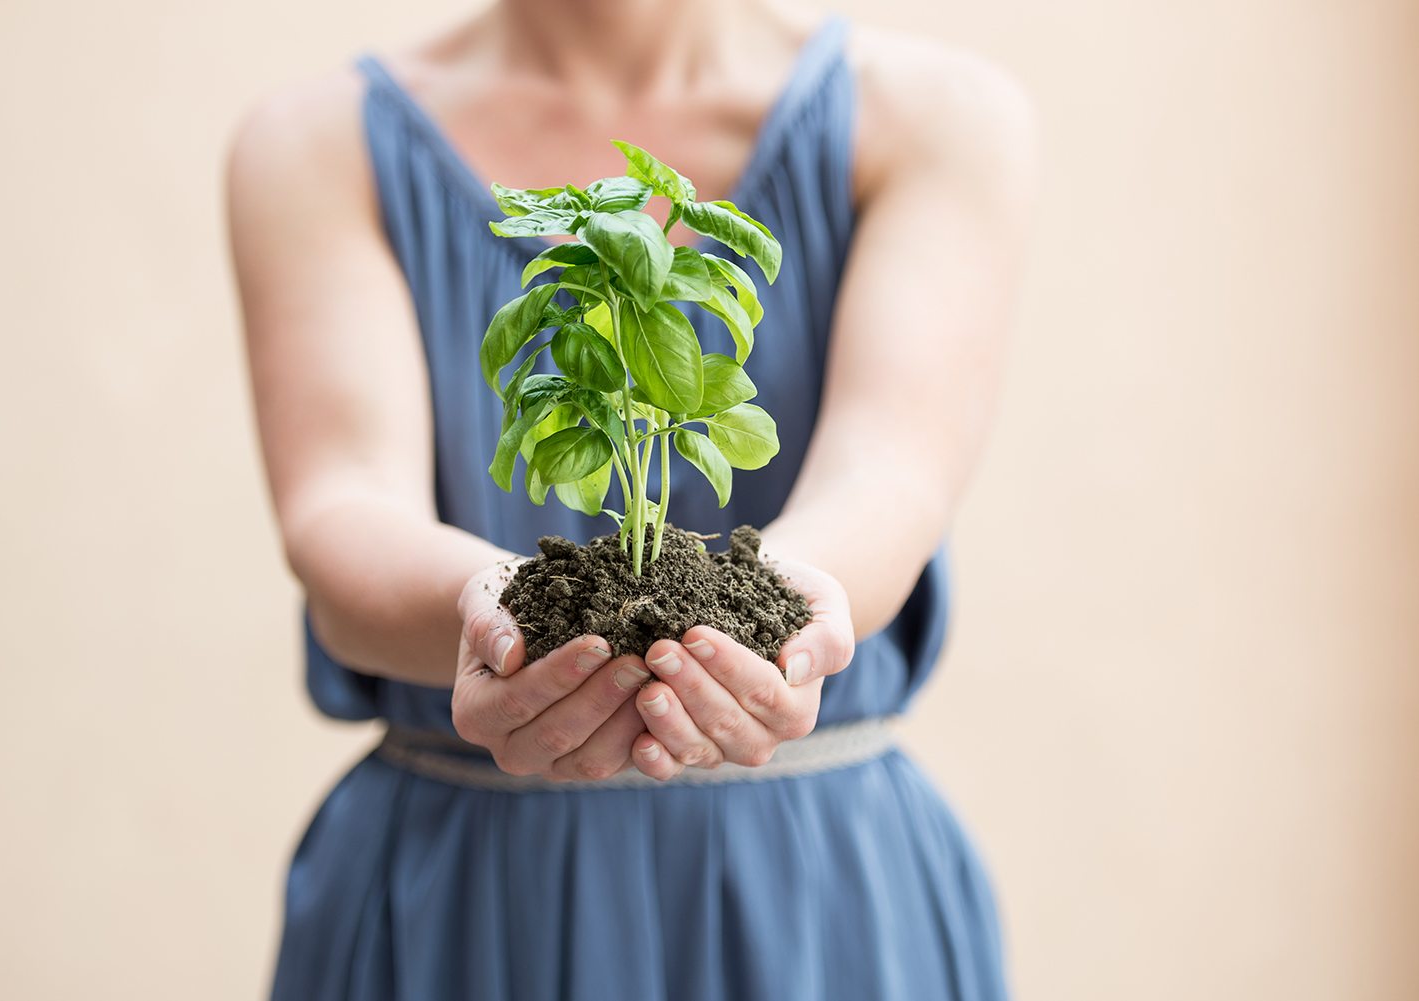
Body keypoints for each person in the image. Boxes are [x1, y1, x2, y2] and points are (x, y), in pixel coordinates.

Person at [225, 0, 1036, 997]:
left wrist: (780, 604)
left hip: (811, 892)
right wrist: (487, 606)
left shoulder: (936, 114)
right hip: (460, 896)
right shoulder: (313, 141)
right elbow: (341, 501)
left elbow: (891, 469)